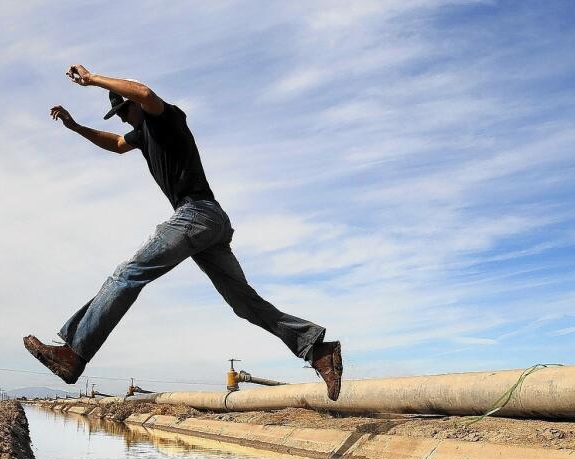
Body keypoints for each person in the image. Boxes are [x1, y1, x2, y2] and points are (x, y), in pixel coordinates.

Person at [23, 65, 342, 399]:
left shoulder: (165, 117)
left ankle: (74, 353)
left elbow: (144, 93)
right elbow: (116, 144)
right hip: (210, 223)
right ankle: (317, 349)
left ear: (133, 104)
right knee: (244, 304)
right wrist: (75, 127)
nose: (120, 119)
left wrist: (91, 80)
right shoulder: (142, 134)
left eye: (122, 110)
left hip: (196, 214)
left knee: (128, 274)